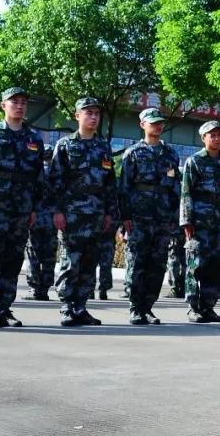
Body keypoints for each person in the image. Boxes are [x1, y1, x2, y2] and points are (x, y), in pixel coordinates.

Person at [0, 87, 44, 328]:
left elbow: (37, 177)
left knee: (13, 259)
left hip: (21, 208)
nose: (20, 106)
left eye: (23, 102)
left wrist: (34, 207)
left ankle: (5, 307)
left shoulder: (34, 139)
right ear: (3, 105)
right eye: (14, 101)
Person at [49, 97, 119, 327]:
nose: (93, 117)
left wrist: (110, 212)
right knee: (71, 260)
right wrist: (57, 211)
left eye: (96, 113)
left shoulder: (103, 147)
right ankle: (67, 307)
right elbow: (56, 181)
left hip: (97, 214)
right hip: (72, 213)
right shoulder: (66, 145)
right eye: (88, 112)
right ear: (77, 116)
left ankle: (81, 306)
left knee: (90, 262)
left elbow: (110, 183)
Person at [118, 107, 181, 325]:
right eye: (153, 122)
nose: (157, 126)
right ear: (142, 125)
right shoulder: (133, 153)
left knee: (158, 265)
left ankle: (148, 307)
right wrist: (124, 218)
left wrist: (175, 217)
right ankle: (136, 307)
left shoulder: (171, 154)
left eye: (160, 122)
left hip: (163, 219)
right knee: (138, 263)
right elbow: (124, 188)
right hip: (139, 218)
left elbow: (175, 189)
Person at [181, 120, 220, 323]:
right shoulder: (194, 162)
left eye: (219, 135)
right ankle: (193, 307)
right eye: (211, 135)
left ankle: (208, 306)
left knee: (216, 267)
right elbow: (186, 193)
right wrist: (187, 221)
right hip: (199, 224)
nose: (216, 138)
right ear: (203, 138)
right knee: (195, 266)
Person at [22, 149, 57, 300]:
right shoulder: (57, 173)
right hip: (52, 220)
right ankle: (45, 288)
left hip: (35, 218)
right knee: (49, 255)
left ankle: (34, 288)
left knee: (33, 254)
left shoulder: (34, 172)